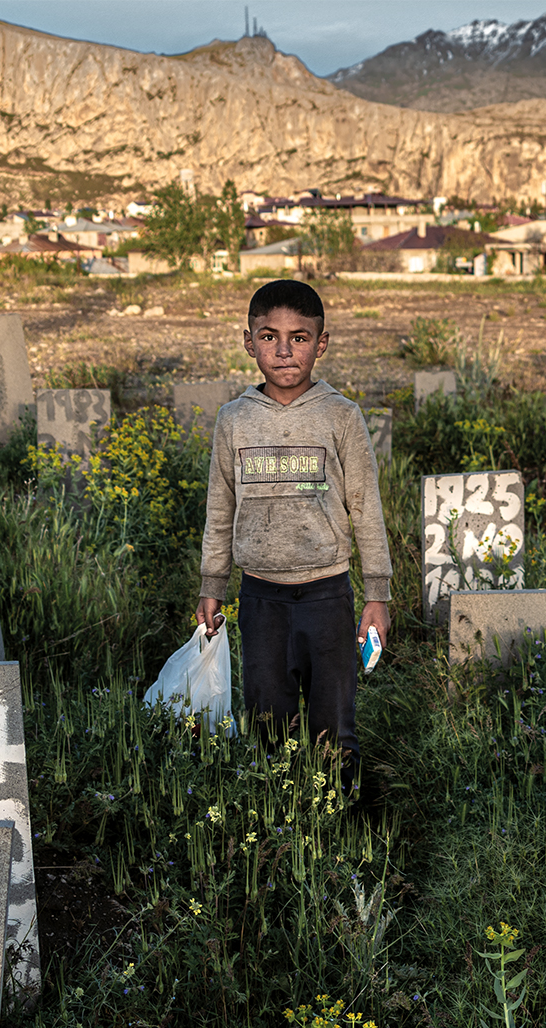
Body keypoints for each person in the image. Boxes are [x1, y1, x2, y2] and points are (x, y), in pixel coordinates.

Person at [197, 280, 390, 792]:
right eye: (269, 337)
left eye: (299, 338)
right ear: (248, 341)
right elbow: (220, 508)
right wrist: (212, 585)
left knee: (334, 729)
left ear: (321, 344)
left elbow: (366, 509)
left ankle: (337, 832)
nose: (284, 351)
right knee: (267, 724)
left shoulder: (341, 416)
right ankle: (281, 830)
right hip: (260, 596)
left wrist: (378, 595)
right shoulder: (234, 419)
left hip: (329, 594)